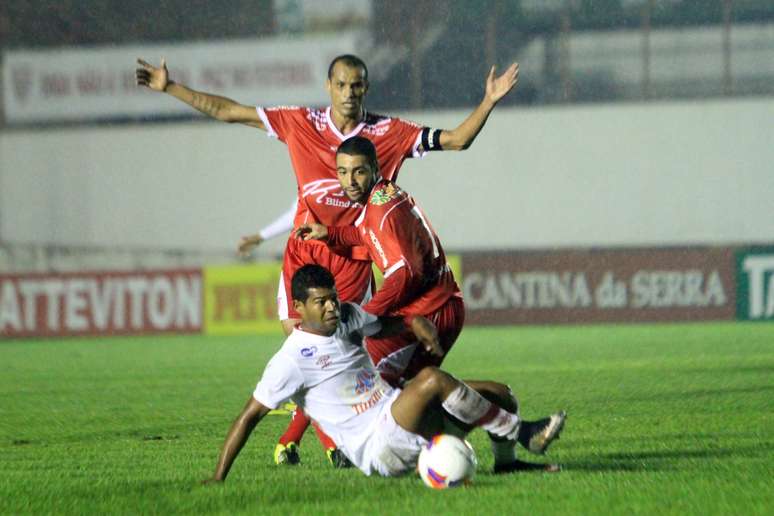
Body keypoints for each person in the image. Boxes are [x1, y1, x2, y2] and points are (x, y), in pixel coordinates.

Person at [136, 53, 519, 465]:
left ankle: (384, 435)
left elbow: (457, 140)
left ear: (366, 88)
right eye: (341, 85)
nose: (349, 93)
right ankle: (339, 439)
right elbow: (230, 111)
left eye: (357, 85)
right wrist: (170, 88)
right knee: (305, 352)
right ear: (328, 87)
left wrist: (489, 101)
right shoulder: (300, 123)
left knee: (345, 359)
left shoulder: (389, 132)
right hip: (304, 256)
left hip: (353, 259)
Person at [202, 265, 566, 483]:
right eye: (320, 302)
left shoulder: (347, 316)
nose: (331, 307)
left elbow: (386, 325)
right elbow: (249, 416)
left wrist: (414, 323)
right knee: (431, 380)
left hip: (400, 416)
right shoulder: (291, 359)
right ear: (298, 308)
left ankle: (507, 465)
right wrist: (219, 477)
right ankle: (522, 433)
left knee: (499, 393)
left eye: (333, 297)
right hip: (378, 447)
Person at [297, 136, 462, 386]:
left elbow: (405, 272)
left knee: (368, 383)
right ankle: (500, 415)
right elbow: (368, 233)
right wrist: (330, 233)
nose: (349, 181)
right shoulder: (383, 193)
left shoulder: (380, 211)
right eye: (342, 172)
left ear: (375, 168)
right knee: (415, 393)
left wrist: (366, 314)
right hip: (442, 304)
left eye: (359, 172)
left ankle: (495, 410)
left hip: (430, 308)